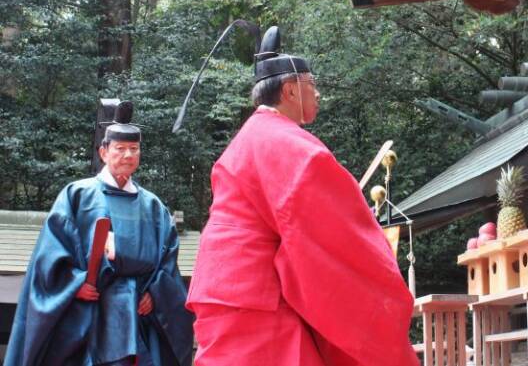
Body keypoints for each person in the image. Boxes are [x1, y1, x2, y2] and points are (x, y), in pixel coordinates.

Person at [186, 27, 418, 366]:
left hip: (232, 285)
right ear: (290, 90)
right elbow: (330, 231)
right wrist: (375, 256)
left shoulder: (254, 136)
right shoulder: (285, 143)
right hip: (255, 295)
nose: (318, 94)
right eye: (312, 84)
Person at [5, 101, 194, 366]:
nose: (128, 155)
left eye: (134, 149)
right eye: (120, 149)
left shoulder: (153, 206)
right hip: (91, 307)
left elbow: (167, 258)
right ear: (103, 152)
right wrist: (74, 285)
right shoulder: (78, 195)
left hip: (138, 308)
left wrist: (156, 293)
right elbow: (50, 254)